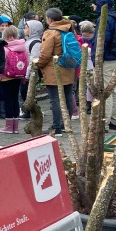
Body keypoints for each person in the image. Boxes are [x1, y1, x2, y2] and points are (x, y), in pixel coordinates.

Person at [37, 8, 76, 136]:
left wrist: (39, 65)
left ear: (50, 19)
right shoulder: (69, 28)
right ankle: (66, 124)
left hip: (54, 69)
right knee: (68, 96)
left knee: (55, 99)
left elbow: (45, 53)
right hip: (68, 66)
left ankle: (56, 127)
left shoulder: (51, 33)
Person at [90, 0, 116, 130]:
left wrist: (97, 58)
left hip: (107, 58)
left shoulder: (105, 18)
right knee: (112, 90)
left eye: (93, 3)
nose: (91, 6)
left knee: (104, 91)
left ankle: (104, 122)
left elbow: (101, 40)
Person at [0, 26, 28, 134]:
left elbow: (1, 62)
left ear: (8, 37)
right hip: (18, 76)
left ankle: (9, 126)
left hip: (6, 77)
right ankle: (15, 126)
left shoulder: (5, 48)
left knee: (8, 101)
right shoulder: (23, 47)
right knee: (15, 100)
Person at [20, 19, 44, 119]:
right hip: (25, 71)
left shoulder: (36, 43)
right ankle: (29, 111)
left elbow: (33, 59)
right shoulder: (28, 41)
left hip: (30, 73)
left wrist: (27, 75)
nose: (24, 30)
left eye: (26, 28)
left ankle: (32, 111)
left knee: (28, 92)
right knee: (25, 92)